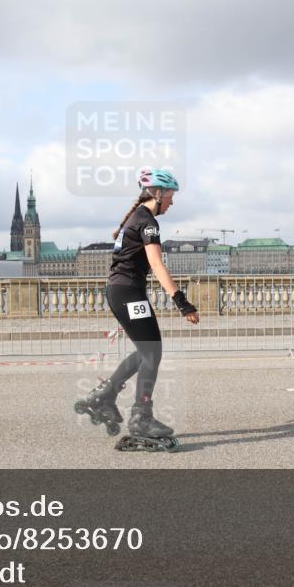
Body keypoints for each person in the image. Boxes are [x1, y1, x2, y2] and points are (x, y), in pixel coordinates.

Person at [75, 168, 200, 446]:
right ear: (157, 194)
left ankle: (104, 396)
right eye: (170, 195)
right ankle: (141, 416)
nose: (172, 202)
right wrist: (181, 301)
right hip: (129, 293)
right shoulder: (148, 222)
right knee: (152, 353)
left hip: (121, 291)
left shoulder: (136, 217)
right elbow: (157, 264)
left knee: (146, 351)